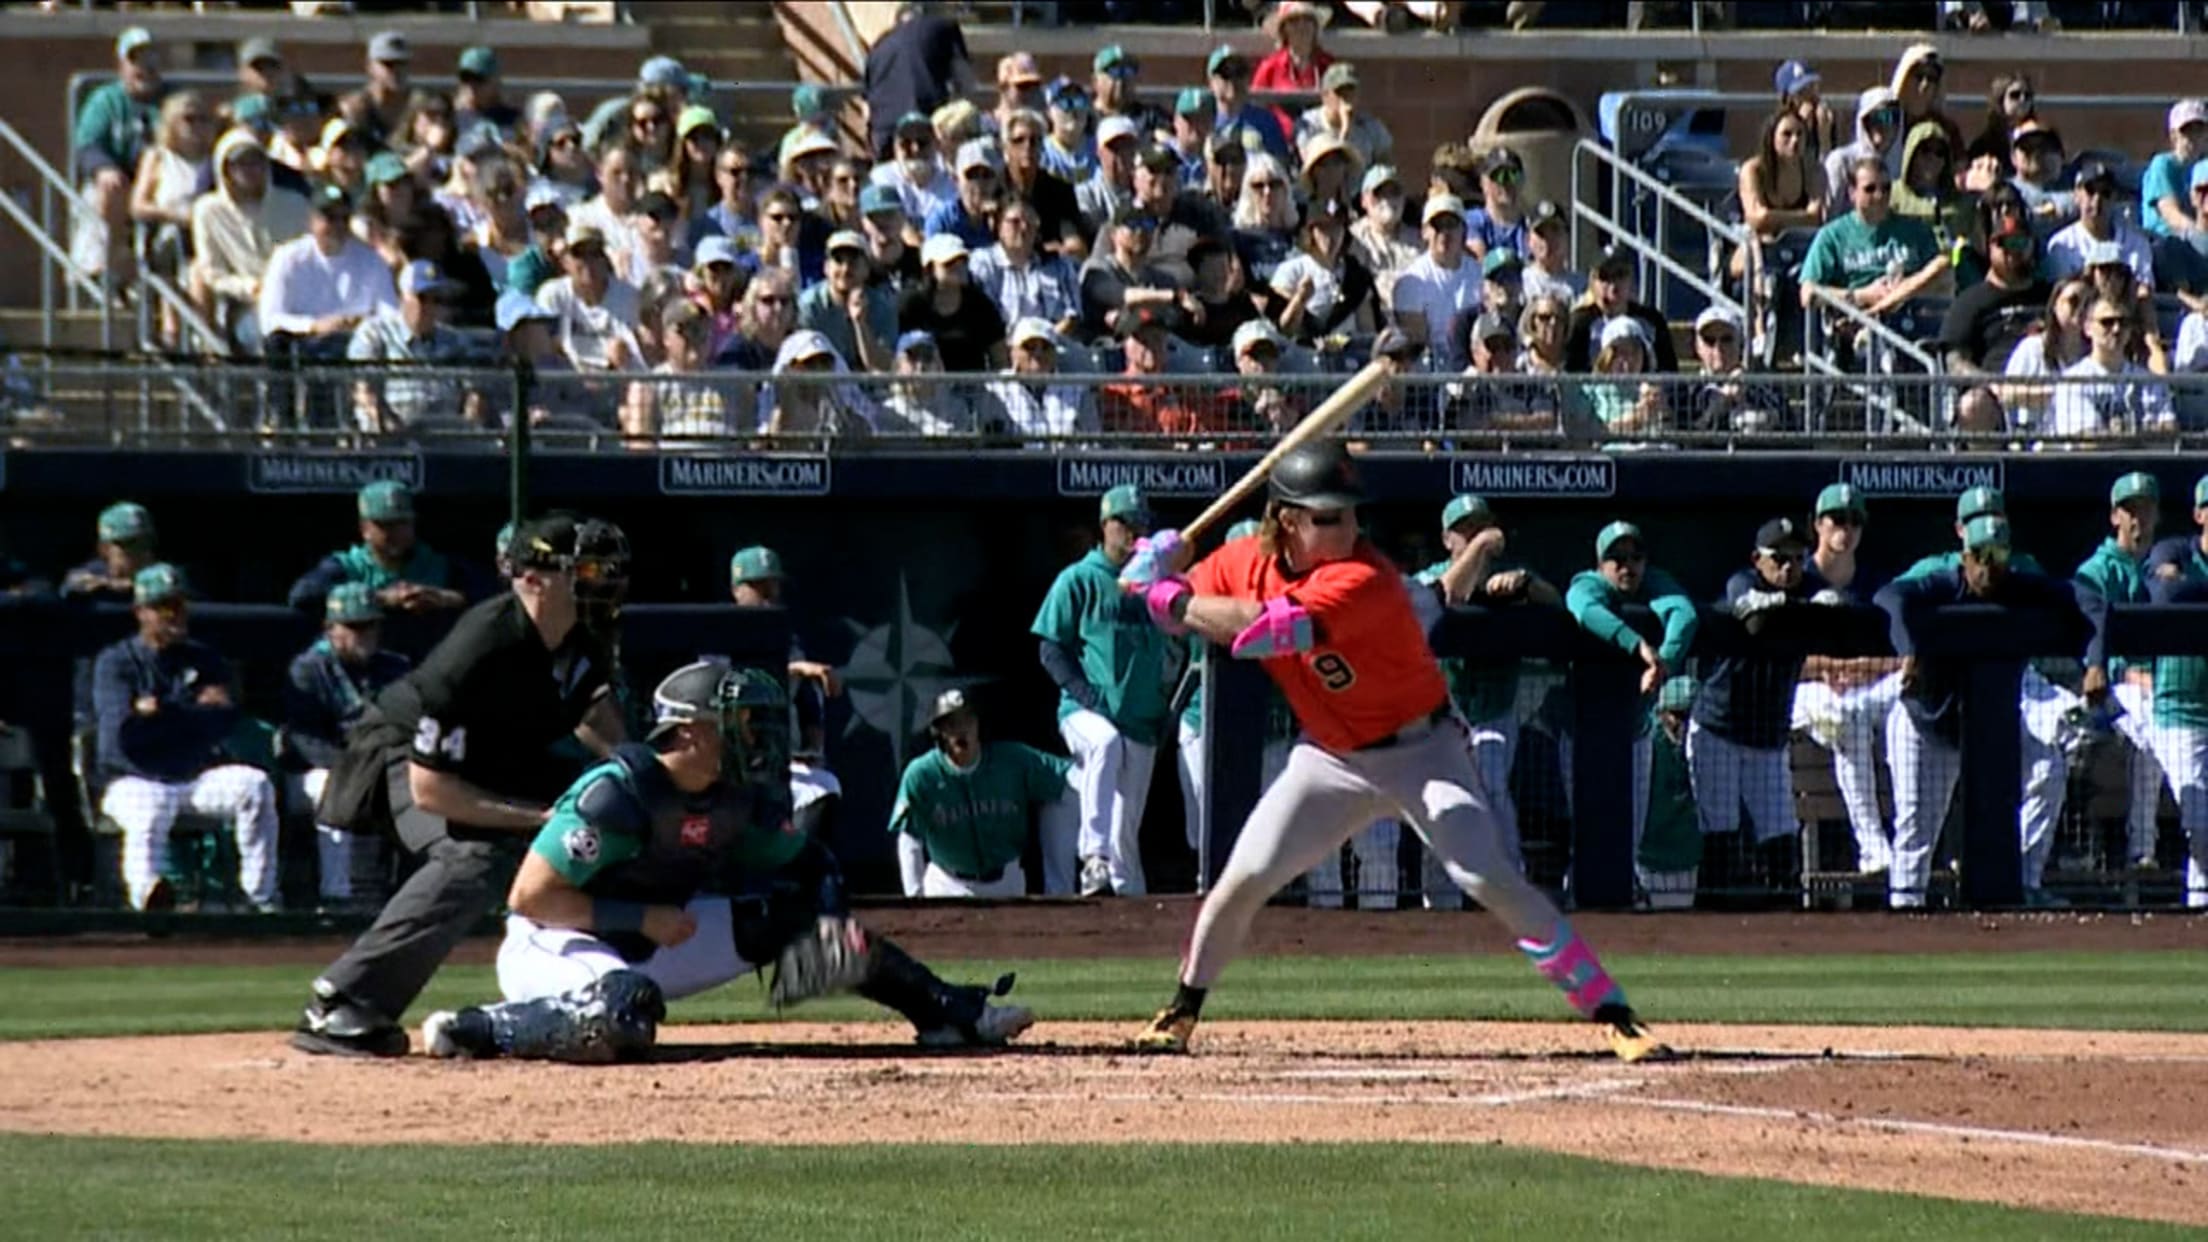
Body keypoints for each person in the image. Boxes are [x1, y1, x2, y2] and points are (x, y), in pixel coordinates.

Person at [1118, 441, 1664, 1062]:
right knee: (1242, 878)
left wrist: (1171, 598)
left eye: (1352, 513)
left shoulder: (1364, 578)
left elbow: (1259, 632)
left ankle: (1613, 1009)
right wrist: (1158, 567)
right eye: (1331, 516)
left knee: (1486, 876)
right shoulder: (1243, 560)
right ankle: (1182, 1008)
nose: (1350, 527)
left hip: (1424, 749)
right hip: (1329, 758)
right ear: (1287, 520)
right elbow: (1183, 604)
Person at [420, 660, 1032, 1061]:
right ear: (688, 733)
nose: (757, 737)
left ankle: (950, 1011)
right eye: (739, 722)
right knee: (620, 1011)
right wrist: (639, 919)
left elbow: (802, 864)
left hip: (663, 937)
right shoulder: (618, 792)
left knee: (789, 921)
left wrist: (822, 928)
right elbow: (531, 897)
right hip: (556, 941)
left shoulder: (739, 796)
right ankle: (479, 1028)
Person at [292, 515, 631, 1057]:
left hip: (488, 759)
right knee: (471, 861)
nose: (601, 582)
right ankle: (340, 1002)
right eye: (584, 570)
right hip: (398, 758)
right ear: (535, 579)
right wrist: (539, 819)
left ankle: (593, 984)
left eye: (604, 569)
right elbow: (432, 792)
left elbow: (594, 714)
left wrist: (637, 769)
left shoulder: (581, 638)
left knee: (609, 812)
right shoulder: (481, 646)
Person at [1875, 515, 2084, 908]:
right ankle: (1905, 917)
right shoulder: (1942, 582)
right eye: (1980, 555)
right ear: (1965, 555)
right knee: (1917, 832)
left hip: (1983, 726)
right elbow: (1888, 596)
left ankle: (2024, 883)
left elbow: (2083, 599)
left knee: (2047, 767)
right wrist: (1910, 650)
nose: (1988, 566)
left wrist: (2095, 663)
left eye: (1997, 555)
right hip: (1926, 721)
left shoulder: (2018, 585)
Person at [92, 563, 279, 914]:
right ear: (141, 612)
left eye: (179, 606)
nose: (175, 615)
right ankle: (148, 901)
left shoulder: (203, 657)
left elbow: (223, 720)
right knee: (149, 806)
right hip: (131, 778)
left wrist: (160, 711)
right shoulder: (116, 662)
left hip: (192, 777)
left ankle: (260, 899)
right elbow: (126, 736)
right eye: (164, 607)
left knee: (255, 785)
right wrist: (188, 709)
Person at [1032, 485, 1175, 897]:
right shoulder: (1080, 577)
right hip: (1085, 710)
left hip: (1141, 716)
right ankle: (1091, 856)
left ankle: (1124, 917)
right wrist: (1086, 695)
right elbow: (1050, 648)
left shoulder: (1156, 581)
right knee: (1104, 744)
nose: (1133, 532)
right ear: (1105, 525)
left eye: (1140, 523)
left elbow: (1179, 643)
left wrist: (1166, 702)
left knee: (1126, 831)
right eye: (1124, 522)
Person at [1411, 494, 1559, 888]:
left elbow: (1557, 607)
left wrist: (1529, 585)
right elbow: (1450, 595)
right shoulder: (1432, 575)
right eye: (1465, 530)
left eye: (1481, 526)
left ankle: (1511, 886)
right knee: (1441, 802)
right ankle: (1439, 903)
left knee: (1490, 785)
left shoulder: (1511, 573)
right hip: (1443, 712)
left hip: (1495, 708)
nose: (1475, 534)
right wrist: (1477, 552)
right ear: (1447, 539)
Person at [1692, 518, 1824, 895]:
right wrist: (1798, 607)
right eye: (1779, 558)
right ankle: (1710, 933)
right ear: (1758, 559)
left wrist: (1813, 604)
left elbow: (1836, 604)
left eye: (1797, 558)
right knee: (1719, 834)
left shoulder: (1811, 587)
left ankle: (1785, 929)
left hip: (1767, 738)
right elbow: (1752, 615)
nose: (1789, 568)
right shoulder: (1742, 582)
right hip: (1719, 729)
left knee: (1780, 834)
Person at [1566, 522, 1700, 888]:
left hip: (1634, 727)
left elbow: (1684, 614)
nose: (1627, 566)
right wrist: (1639, 645)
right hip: (1579, 732)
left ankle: (1623, 914)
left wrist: (1663, 664)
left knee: (1632, 835)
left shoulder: (1653, 582)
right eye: (1616, 558)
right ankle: (1576, 906)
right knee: (1585, 831)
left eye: (1634, 557)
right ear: (1600, 563)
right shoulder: (1588, 583)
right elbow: (1582, 608)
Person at [1787, 483, 1901, 877]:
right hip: (1807, 692)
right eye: (1837, 520)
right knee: (1844, 720)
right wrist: (1826, 668)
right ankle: (1873, 847)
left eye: (1854, 521)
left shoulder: (1876, 584)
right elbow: (1778, 657)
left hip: (1867, 687)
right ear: (1818, 524)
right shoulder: (1797, 578)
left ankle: (1914, 844)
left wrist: (1864, 668)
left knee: (1908, 705)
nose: (1846, 530)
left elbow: (1906, 659)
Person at [282, 583, 412, 911]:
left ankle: (415, 895)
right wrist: (350, 767)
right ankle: (337, 897)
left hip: (382, 767)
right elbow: (302, 737)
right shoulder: (308, 669)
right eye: (354, 627)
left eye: (370, 626)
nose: (363, 635)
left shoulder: (394, 667)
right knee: (336, 788)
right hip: (316, 772)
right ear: (330, 629)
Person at [2076, 472, 2174, 874]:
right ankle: (2141, 850)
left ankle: (2145, 851)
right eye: (2131, 510)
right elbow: (2087, 644)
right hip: (2112, 689)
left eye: (2146, 509)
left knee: (2158, 728)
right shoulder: (2096, 571)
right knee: (2152, 728)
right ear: (2115, 516)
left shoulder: (2167, 567)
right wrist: (2128, 673)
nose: (2139, 519)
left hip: (2161, 685)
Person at [892, 688, 1077, 898]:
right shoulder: (922, 774)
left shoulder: (1012, 760)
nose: (962, 730)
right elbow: (908, 838)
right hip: (947, 885)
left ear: (978, 724)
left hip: (1007, 882)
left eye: (967, 720)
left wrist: (1061, 884)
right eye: (952, 724)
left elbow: (1069, 779)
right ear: (939, 731)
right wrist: (914, 896)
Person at [728, 546, 846, 841]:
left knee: (823, 785)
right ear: (736, 590)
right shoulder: (719, 634)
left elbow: (808, 704)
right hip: (728, 764)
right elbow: (735, 683)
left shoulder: (786, 638)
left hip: (783, 761)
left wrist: (813, 749)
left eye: (773, 586)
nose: (769, 595)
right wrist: (799, 668)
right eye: (759, 587)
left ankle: (798, 872)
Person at [2144, 474, 2208, 907]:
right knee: (2201, 822)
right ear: (2201, 514)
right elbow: (2165, 596)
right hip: (2180, 711)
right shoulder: (2174, 551)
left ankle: (2198, 910)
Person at [187, 129, 309, 348]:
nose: (248, 170)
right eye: (239, 163)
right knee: (266, 337)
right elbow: (212, 271)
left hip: (302, 298)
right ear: (224, 169)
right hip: (249, 303)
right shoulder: (208, 211)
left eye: (255, 162)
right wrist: (247, 287)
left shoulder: (295, 203)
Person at [1798, 159, 1949, 332]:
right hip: (1857, 327)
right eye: (1870, 189)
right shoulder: (1832, 236)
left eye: (1886, 188)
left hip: (1912, 319)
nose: (1879, 196)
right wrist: (1862, 295)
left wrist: (1904, 288)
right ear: (1852, 193)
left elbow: (1941, 278)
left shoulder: (1916, 229)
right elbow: (1808, 293)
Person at [258, 185, 399, 364]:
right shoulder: (287, 257)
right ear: (311, 221)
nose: (338, 226)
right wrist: (314, 326)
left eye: (344, 218)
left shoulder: (372, 261)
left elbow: (391, 314)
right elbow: (270, 319)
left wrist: (361, 323)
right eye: (330, 218)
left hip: (357, 344)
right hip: (305, 345)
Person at [74, 27, 168, 284]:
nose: (145, 68)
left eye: (151, 59)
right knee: (106, 188)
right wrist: (104, 167)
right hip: (120, 182)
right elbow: (88, 145)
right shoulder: (106, 100)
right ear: (122, 65)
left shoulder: (172, 99)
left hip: (161, 183)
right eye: (136, 60)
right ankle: (105, 269)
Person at [346, 260, 472, 434]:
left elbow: (474, 391)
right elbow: (363, 389)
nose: (429, 306)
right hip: (390, 436)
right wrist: (387, 426)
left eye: (437, 299)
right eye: (422, 298)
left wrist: (470, 424)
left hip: (446, 434)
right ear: (402, 298)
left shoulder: (454, 340)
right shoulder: (375, 333)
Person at [2050, 293, 2176, 437]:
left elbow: (2169, 430)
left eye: (2123, 322)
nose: (2116, 329)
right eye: (2107, 322)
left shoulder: (2149, 381)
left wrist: (2117, 434)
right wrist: (2142, 434)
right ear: (2087, 328)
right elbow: (2085, 440)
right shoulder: (2072, 381)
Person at [864, 1, 976, 159]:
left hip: (885, 136)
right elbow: (966, 83)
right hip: (928, 129)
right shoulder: (944, 27)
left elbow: (867, 108)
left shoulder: (877, 47)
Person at [1735, 109, 1828, 285]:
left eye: (1800, 134)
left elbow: (1815, 218)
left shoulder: (1814, 171)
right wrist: (1801, 217)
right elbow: (1756, 218)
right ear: (1772, 137)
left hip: (1799, 245)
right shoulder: (1754, 170)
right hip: (1757, 245)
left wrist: (1772, 218)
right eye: (1787, 134)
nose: (1795, 140)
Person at [536, 224, 644, 373]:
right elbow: (545, 350)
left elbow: (638, 357)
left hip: (617, 379)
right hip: (567, 380)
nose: (588, 262)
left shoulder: (628, 296)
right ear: (565, 262)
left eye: (594, 254)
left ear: (605, 259)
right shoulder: (553, 295)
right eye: (579, 254)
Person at [898, 233, 1007, 373]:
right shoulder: (910, 304)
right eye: (949, 263)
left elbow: (999, 358)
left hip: (972, 390)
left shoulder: (980, 305)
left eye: (962, 261)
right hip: (924, 387)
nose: (958, 267)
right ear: (930, 269)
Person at [971, 198, 1080, 335]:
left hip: (1053, 345)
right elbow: (982, 317)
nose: (1023, 228)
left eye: (1030, 222)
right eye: (1015, 222)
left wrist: (1044, 341)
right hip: (1002, 348)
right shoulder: (984, 262)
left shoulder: (1060, 265)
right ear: (999, 227)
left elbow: (1072, 316)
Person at [1391, 195, 1477, 364]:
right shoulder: (1410, 283)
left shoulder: (1479, 274)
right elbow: (1416, 346)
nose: (1445, 233)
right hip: (1432, 370)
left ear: (1464, 231)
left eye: (1452, 225)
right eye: (1438, 226)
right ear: (1424, 232)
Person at [2046, 161, 2156, 291]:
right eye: (2090, 191)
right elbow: (2064, 296)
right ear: (2076, 195)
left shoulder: (2137, 243)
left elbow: (2144, 289)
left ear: (2115, 198)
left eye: (2105, 193)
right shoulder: (2061, 244)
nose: (2097, 199)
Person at [1564, 247, 1678, 373]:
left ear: (1631, 280)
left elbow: (1669, 370)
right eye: (1605, 277)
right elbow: (1571, 371)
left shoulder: (1652, 320)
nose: (1613, 286)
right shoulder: (1580, 322)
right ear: (1592, 282)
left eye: (1620, 275)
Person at [798, 230, 896, 375]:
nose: (845, 269)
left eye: (853, 261)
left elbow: (882, 367)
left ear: (866, 269)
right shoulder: (809, 306)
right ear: (826, 267)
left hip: (870, 390)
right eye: (838, 260)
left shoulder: (882, 306)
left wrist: (860, 323)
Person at [982, 318, 1096, 438]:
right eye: (1029, 347)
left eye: (1046, 347)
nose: (1038, 354)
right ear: (1013, 352)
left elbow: (1093, 439)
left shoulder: (1077, 390)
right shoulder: (995, 389)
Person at [1688, 304, 1787, 432]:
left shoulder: (1764, 384)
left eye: (1727, 339)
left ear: (1740, 343)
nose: (1718, 348)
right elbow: (1691, 434)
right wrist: (1723, 400)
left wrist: (1749, 395)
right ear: (1697, 347)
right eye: (1709, 340)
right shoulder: (1690, 390)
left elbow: (1788, 423)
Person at [1295, 63, 1392, 174]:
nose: (1347, 101)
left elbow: (1386, 166)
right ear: (1325, 96)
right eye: (1340, 94)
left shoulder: (1370, 127)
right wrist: (1345, 132)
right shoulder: (1309, 125)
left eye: (1351, 94)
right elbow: (1310, 166)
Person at [1821, 87, 1902, 216]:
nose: (1883, 124)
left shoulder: (1902, 163)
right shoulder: (1841, 161)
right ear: (1863, 121)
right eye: (1876, 117)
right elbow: (1829, 215)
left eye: (1891, 117)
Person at [1204, 44, 1291, 164]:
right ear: (1211, 82)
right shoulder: (1204, 121)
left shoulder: (1265, 121)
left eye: (1239, 72)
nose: (1233, 80)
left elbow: (1281, 164)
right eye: (1225, 74)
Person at [62, 502, 160, 604]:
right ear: (104, 549)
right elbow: (72, 585)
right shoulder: (94, 572)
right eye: (127, 544)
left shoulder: (161, 575)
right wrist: (106, 584)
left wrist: (125, 585)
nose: (138, 551)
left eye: (144, 543)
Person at [1464, 147, 1528, 262]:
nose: (1505, 183)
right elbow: (1480, 265)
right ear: (1483, 182)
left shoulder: (1531, 225)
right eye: (1497, 175)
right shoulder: (1472, 221)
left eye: (1512, 175)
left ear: (1522, 180)